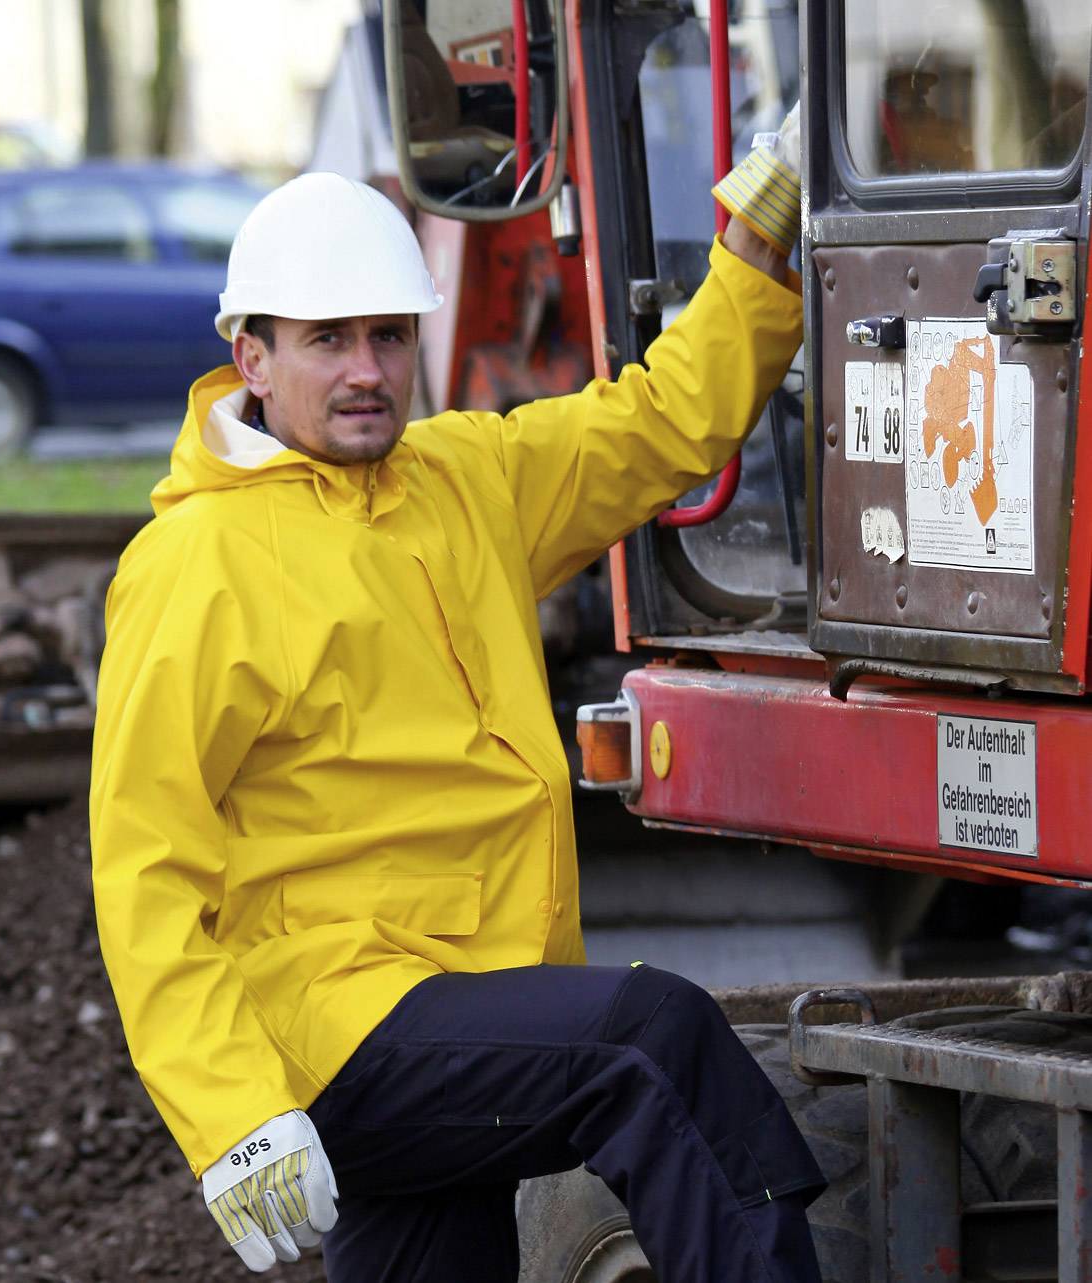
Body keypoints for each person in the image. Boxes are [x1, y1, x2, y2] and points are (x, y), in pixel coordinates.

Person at [90, 107, 824, 1282]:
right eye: (327, 340)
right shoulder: (195, 566)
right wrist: (230, 1110)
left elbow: (657, 423)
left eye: (388, 336)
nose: (368, 370)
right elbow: (145, 867)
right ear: (252, 356)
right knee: (652, 1040)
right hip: (333, 1024)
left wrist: (755, 239)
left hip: (459, 1006)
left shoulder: (462, 480)